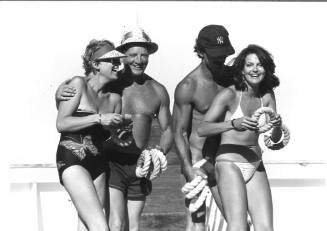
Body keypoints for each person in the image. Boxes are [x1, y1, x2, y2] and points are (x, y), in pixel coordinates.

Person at [56, 27, 173, 231]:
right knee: (108, 225)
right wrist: (58, 92)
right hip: (95, 161)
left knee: (107, 226)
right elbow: (66, 114)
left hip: (121, 163)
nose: (138, 60)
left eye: (144, 55)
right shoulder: (100, 83)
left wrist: (156, 151)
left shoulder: (143, 92)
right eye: (132, 55)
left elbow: (168, 129)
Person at [197, 44, 282, 231]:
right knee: (238, 226)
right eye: (249, 65)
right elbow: (202, 129)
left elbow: (275, 139)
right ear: (242, 70)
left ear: (266, 69)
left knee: (266, 228)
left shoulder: (267, 95)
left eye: (259, 65)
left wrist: (277, 127)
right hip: (229, 162)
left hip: (255, 162)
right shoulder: (229, 94)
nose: (255, 69)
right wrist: (233, 124)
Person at [56, 39, 127, 231]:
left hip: (98, 164)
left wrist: (121, 135)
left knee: (86, 226)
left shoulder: (115, 99)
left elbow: (109, 138)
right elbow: (62, 123)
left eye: (118, 61)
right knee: (100, 227)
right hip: (72, 159)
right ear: (95, 64)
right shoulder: (78, 84)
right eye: (111, 61)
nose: (117, 66)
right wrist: (99, 118)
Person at [172, 24, 235, 231]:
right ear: (200, 51)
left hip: (226, 160)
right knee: (197, 223)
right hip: (198, 163)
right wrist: (188, 168)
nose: (220, 60)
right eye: (215, 55)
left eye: (223, 55)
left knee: (237, 220)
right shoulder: (189, 86)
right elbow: (179, 132)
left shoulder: (232, 77)